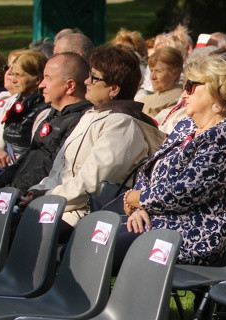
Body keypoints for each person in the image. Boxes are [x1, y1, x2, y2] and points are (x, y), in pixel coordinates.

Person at [119, 53, 226, 269]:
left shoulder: (225, 137)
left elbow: (181, 193)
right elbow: (149, 171)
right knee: (95, 236)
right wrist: (136, 207)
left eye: (190, 86)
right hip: (154, 221)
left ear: (216, 94)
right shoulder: (187, 126)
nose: (184, 92)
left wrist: (137, 199)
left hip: (189, 235)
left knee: (101, 247)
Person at [26, 45, 166, 229]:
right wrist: (36, 192)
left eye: (94, 77)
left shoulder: (123, 126)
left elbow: (92, 184)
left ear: (114, 89)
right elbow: (59, 171)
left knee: (12, 237)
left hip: (83, 219)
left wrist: (47, 196)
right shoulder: (92, 114)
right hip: (58, 206)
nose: (86, 81)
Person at [0, 52, 92, 195]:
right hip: (15, 193)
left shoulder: (80, 122)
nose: (41, 85)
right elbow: (26, 158)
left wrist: (14, 194)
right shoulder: (53, 114)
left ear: (70, 85)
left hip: (35, 200)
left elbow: (50, 168)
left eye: (48, 78)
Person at [0, 50, 48, 167]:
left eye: (19, 75)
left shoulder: (44, 109)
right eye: (13, 74)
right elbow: (2, 133)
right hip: (5, 167)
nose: (13, 80)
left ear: (38, 80)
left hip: (23, 171)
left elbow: (34, 153)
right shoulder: (16, 101)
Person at [135, 46, 184, 118]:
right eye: (151, 71)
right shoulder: (145, 99)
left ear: (175, 73)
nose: (153, 77)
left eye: (158, 71)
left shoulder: (179, 99)